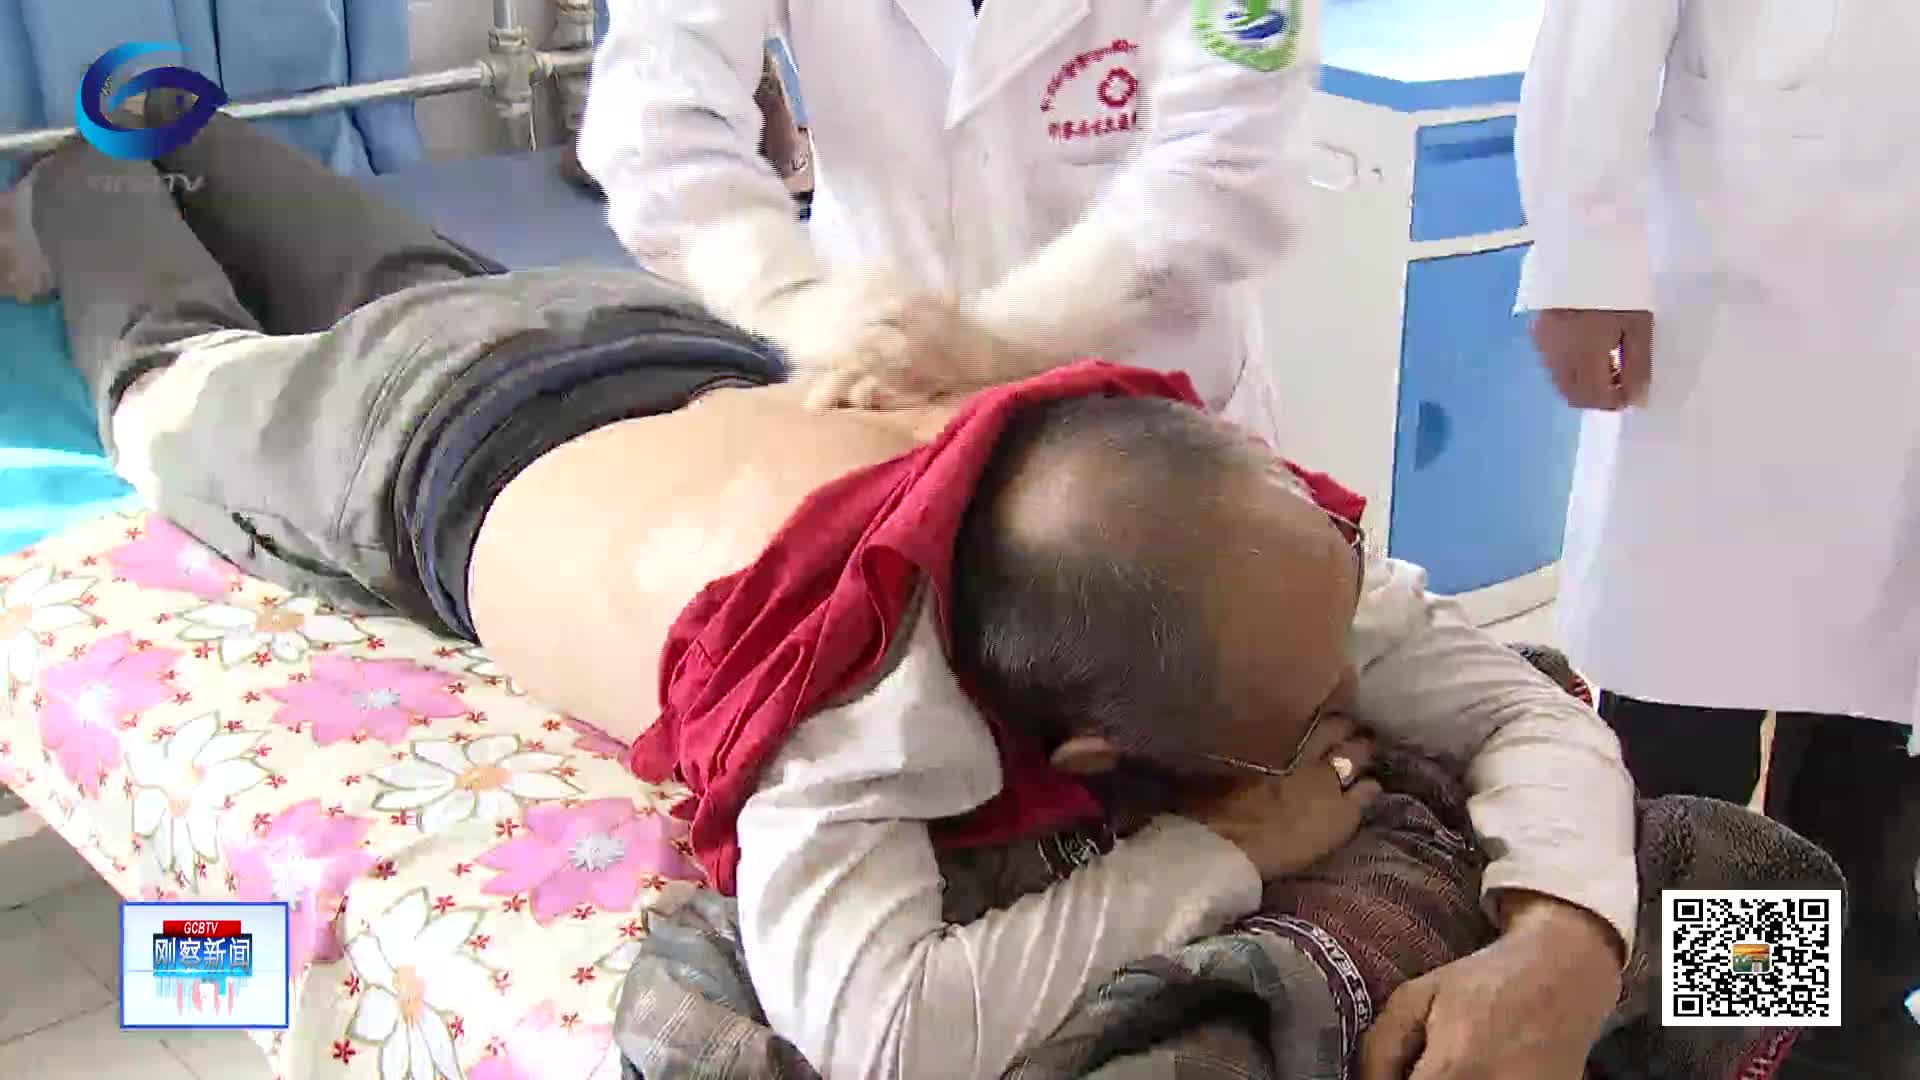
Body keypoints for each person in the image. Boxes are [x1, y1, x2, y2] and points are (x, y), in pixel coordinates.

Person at [9, 108, 1633, 1079]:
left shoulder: (1208, 526)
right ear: (1085, 760)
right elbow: (879, 1033)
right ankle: (93, 167)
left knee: (415, 281)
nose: (1355, 711)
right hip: (416, 443)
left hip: (635, 339)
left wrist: (1571, 935)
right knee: (165, 382)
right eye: (1309, 712)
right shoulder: (855, 707)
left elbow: (1514, 702)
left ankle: (197, 137)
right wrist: (1223, 851)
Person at [1513, 2, 1920, 1074]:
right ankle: (1691, 1035)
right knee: (1699, 718)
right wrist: (1583, 257)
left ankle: (1836, 1032)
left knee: (1876, 741)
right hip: (1753, 295)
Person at [574, 0, 1316, 431]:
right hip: (876, 388)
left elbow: (1224, 161)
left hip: (1146, 397)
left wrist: (1006, 341)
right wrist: (789, 299)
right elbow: (654, 119)